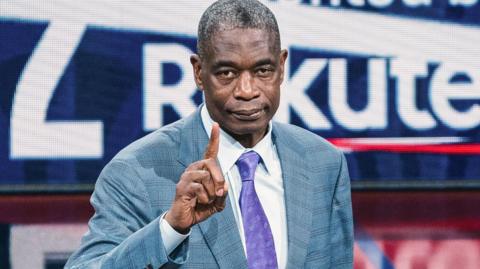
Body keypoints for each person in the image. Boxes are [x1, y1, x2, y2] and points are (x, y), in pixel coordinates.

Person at [65, 0, 353, 268]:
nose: (247, 91)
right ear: (199, 72)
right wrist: (170, 229)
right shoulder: (135, 172)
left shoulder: (323, 163)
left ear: (281, 67)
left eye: (263, 70)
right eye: (227, 73)